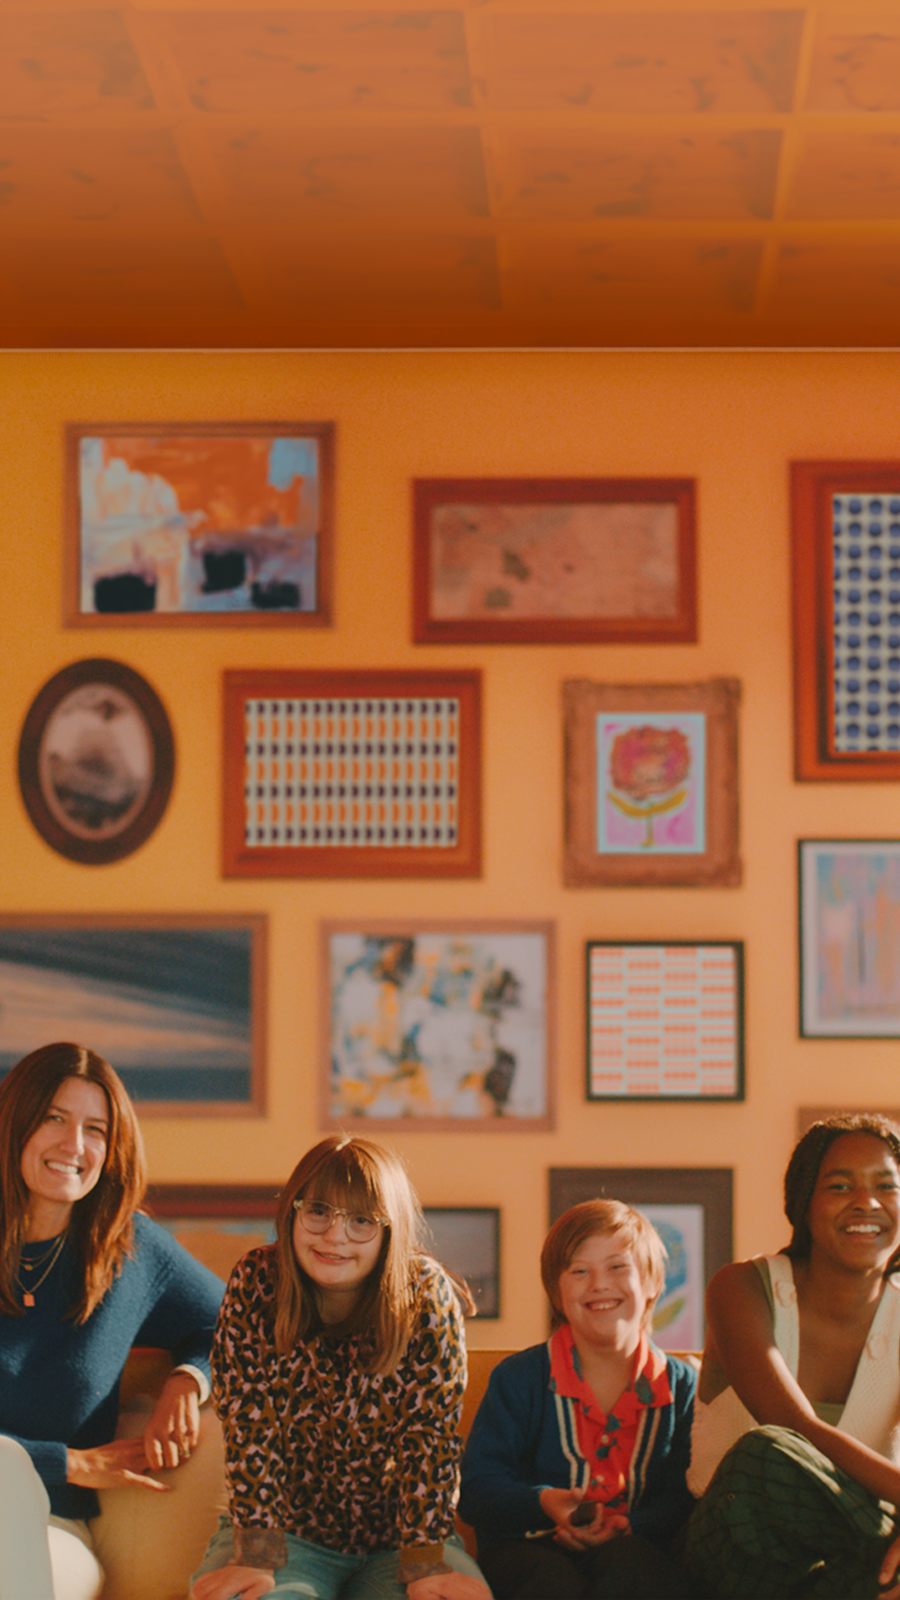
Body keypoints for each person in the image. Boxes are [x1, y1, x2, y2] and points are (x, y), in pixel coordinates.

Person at [190, 1132, 493, 1600]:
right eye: (318, 1211)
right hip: (282, 1533)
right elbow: (252, 1428)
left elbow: (429, 1439)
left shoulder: (426, 1296)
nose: (335, 1235)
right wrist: (258, 1555)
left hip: (400, 1540)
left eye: (360, 1220)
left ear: (389, 1230)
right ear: (291, 1210)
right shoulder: (256, 1282)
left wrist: (425, 1564)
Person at [0, 1041, 224, 1600]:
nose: (74, 1145)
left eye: (96, 1129)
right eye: (54, 1118)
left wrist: (188, 1381)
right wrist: (66, 1462)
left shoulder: (131, 1252)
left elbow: (240, 1324)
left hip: (50, 1532)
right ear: (14, 1123)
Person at [685, 1113, 900, 1599]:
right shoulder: (741, 1288)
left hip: (840, 1569)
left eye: (886, 1186)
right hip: (730, 1550)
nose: (867, 1202)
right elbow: (790, 1423)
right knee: (768, 1451)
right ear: (804, 1202)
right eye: (841, 1186)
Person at [458, 1199, 697, 1599]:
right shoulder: (519, 1379)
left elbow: (684, 1494)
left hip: (634, 1549)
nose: (599, 1284)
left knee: (635, 1565)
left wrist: (632, 1524)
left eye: (618, 1267)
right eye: (580, 1271)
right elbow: (478, 1488)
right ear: (556, 1293)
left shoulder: (682, 1385)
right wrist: (544, 1503)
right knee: (550, 1581)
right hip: (526, 1553)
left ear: (654, 1281)